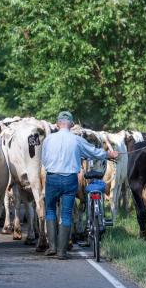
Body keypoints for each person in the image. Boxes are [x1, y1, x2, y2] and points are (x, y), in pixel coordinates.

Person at [41, 111, 118, 259]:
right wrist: (110, 154)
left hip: (52, 178)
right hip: (70, 179)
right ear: (71, 125)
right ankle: (62, 252)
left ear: (57, 124)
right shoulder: (76, 140)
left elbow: (44, 161)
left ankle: (52, 247)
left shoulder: (48, 139)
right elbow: (94, 152)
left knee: (50, 210)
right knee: (66, 213)